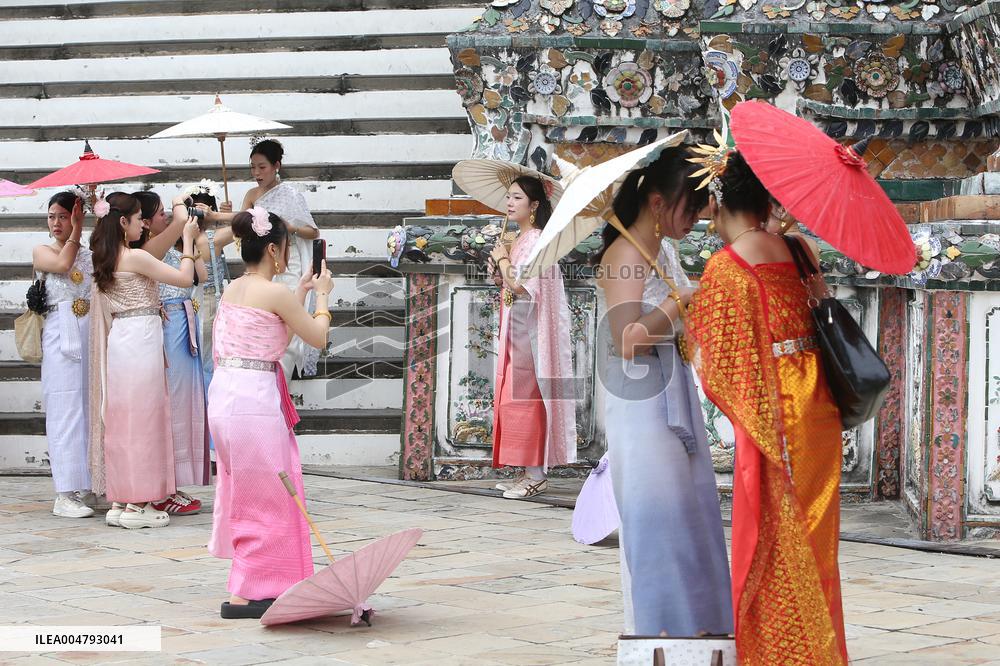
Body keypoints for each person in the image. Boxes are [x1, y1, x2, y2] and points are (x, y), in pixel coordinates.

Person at [684, 146, 848, 664]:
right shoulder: (800, 248)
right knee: (815, 538)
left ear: (715, 198)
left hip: (774, 411)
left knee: (777, 539)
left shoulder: (727, 267)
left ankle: (789, 653)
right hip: (818, 405)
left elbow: (717, 363)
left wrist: (686, 321)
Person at [595, 148, 732, 637]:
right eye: (689, 208)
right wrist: (683, 300)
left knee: (689, 513)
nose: (696, 219)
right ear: (657, 201)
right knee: (658, 519)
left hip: (673, 387)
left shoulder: (661, 250)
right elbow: (627, 339)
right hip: (642, 400)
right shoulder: (627, 255)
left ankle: (698, 633)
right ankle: (660, 634)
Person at [208, 207, 331, 619]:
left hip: (226, 397)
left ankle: (255, 583)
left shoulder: (233, 288)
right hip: (253, 403)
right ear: (275, 249)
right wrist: (324, 298)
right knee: (270, 495)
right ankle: (252, 588)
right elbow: (315, 336)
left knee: (246, 490)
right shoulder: (273, 293)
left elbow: (270, 330)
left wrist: (299, 292)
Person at [89, 192, 200, 529]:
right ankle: (138, 505)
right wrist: (189, 244)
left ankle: (122, 500)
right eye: (139, 219)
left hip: (123, 337)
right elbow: (184, 279)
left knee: (125, 419)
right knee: (145, 419)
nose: (143, 225)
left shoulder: (107, 256)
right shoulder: (133, 257)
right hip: (141, 337)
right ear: (123, 222)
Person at [200, 140, 321, 381]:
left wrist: (291, 227)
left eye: (262, 167)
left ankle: (287, 361)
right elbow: (243, 221)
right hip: (261, 260)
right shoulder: (251, 194)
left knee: (289, 307)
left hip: (288, 258)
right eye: (252, 167)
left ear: (277, 166)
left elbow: (313, 231)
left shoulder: (290, 194)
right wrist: (224, 213)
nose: (256, 173)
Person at [488, 175, 576, 499]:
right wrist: (500, 265)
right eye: (509, 197)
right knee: (513, 398)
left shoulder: (538, 238)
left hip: (529, 331)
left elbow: (521, 285)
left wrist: (502, 260)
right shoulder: (519, 238)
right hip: (516, 328)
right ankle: (525, 471)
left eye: (517, 198)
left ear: (534, 205)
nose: (510, 203)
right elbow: (508, 281)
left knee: (527, 398)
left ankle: (536, 474)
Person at [133, 191, 210, 516]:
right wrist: (184, 228)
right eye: (162, 213)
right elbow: (182, 277)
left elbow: (200, 277)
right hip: (165, 329)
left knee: (184, 403)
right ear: (147, 222)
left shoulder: (173, 244)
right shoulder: (148, 250)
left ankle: (173, 483)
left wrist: (194, 239)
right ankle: (160, 486)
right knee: (169, 404)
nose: (168, 217)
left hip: (184, 328)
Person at [33, 191, 94, 518]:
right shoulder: (43, 251)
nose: (56, 223)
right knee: (65, 408)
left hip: (89, 334)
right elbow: (61, 264)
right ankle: (64, 492)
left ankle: (88, 483)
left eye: (63, 216)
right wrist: (75, 231)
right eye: (52, 216)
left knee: (89, 408)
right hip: (61, 334)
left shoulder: (89, 254)